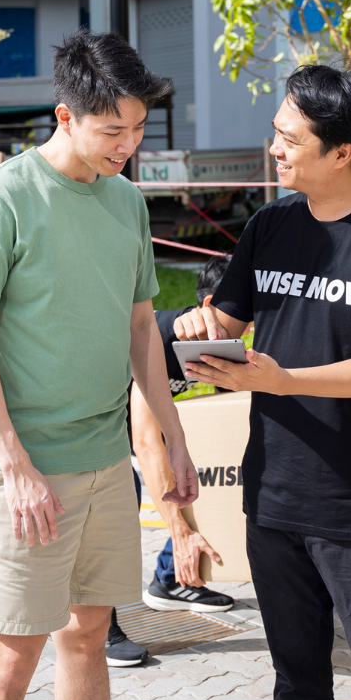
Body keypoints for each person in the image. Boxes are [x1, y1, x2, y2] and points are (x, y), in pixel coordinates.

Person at [0, 31, 198, 700]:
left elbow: (141, 327)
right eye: (113, 130)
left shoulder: (126, 203)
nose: (128, 145)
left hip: (107, 462)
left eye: (139, 129)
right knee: (12, 652)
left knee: (88, 633)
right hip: (25, 468)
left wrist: (171, 438)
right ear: (65, 117)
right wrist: (15, 463)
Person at [178, 65, 351, 700]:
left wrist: (284, 379)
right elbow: (229, 321)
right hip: (273, 498)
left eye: (289, 139)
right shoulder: (271, 225)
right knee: (297, 685)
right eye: (277, 134)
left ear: (342, 152)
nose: (275, 150)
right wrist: (201, 325)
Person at [127, 254, 237, 614]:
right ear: (208, 306)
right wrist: (178, 530)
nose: (250, 326)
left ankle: (171, 580)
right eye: (243, 314)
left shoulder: (222, 344)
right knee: (122, 499)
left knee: (205, 479)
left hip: (142, 430)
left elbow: (231, 416)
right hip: (98, 429)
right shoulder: (160, 336)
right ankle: (102, 629)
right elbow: (145, 440)